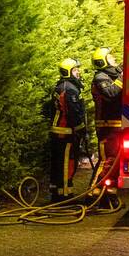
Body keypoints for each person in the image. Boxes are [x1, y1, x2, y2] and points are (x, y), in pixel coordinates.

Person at [49, 58, 86, 200]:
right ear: (68, 72)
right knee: (66, 162)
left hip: (59, 131)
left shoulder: (61, 86)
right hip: (65, 132)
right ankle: (64, 194)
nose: (78, 72)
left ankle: (57, 191)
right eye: (76, 70)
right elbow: (73, 113)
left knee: (58, 163)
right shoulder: (69, 89)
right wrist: (81, 129)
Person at [91, 47, 124, 180]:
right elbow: (111, 93)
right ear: (102, 62)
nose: (113, 59)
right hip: (107, 126)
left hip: (114, 125)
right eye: (110, 57)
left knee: (113, 162)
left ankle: (108, 197)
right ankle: (93, 193)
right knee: (106, 161)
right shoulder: (100, 77)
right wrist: (122, 77)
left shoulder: (109, 75)